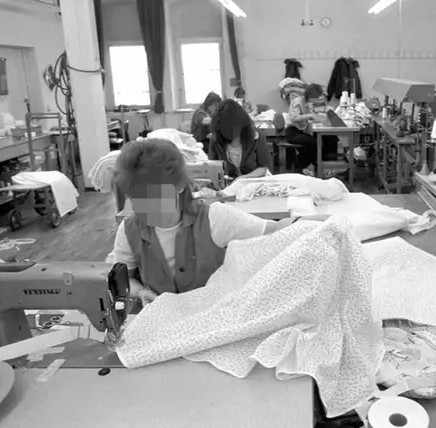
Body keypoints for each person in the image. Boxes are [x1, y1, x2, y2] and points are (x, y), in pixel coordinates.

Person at [109, 138, 311, 305]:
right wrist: (140, 291)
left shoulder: (215, 218)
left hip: (215, 315)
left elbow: (275, 230)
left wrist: (321, 223)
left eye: (155, 198)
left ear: (179, 186)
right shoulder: (129, 230)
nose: (146, 208)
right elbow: (125, 278)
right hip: (163, 320)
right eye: (138, 199)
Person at [209, 99, 271, 180]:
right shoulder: (216, 140)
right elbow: (212, 167)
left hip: (254, 182)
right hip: (229, 184)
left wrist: (243, 178)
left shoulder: (256, 137)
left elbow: (263, 168)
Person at [286, 83, 339, 177]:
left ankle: (329, 166)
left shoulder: (313, 103)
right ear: (309, 96)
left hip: (305, 131)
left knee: (331, 137)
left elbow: (320, 112)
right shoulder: (297, 102)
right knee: (314, 142)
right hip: (293, 131)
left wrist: (326, 110)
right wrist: (310, 116)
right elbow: (293, 118)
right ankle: (309, 167)